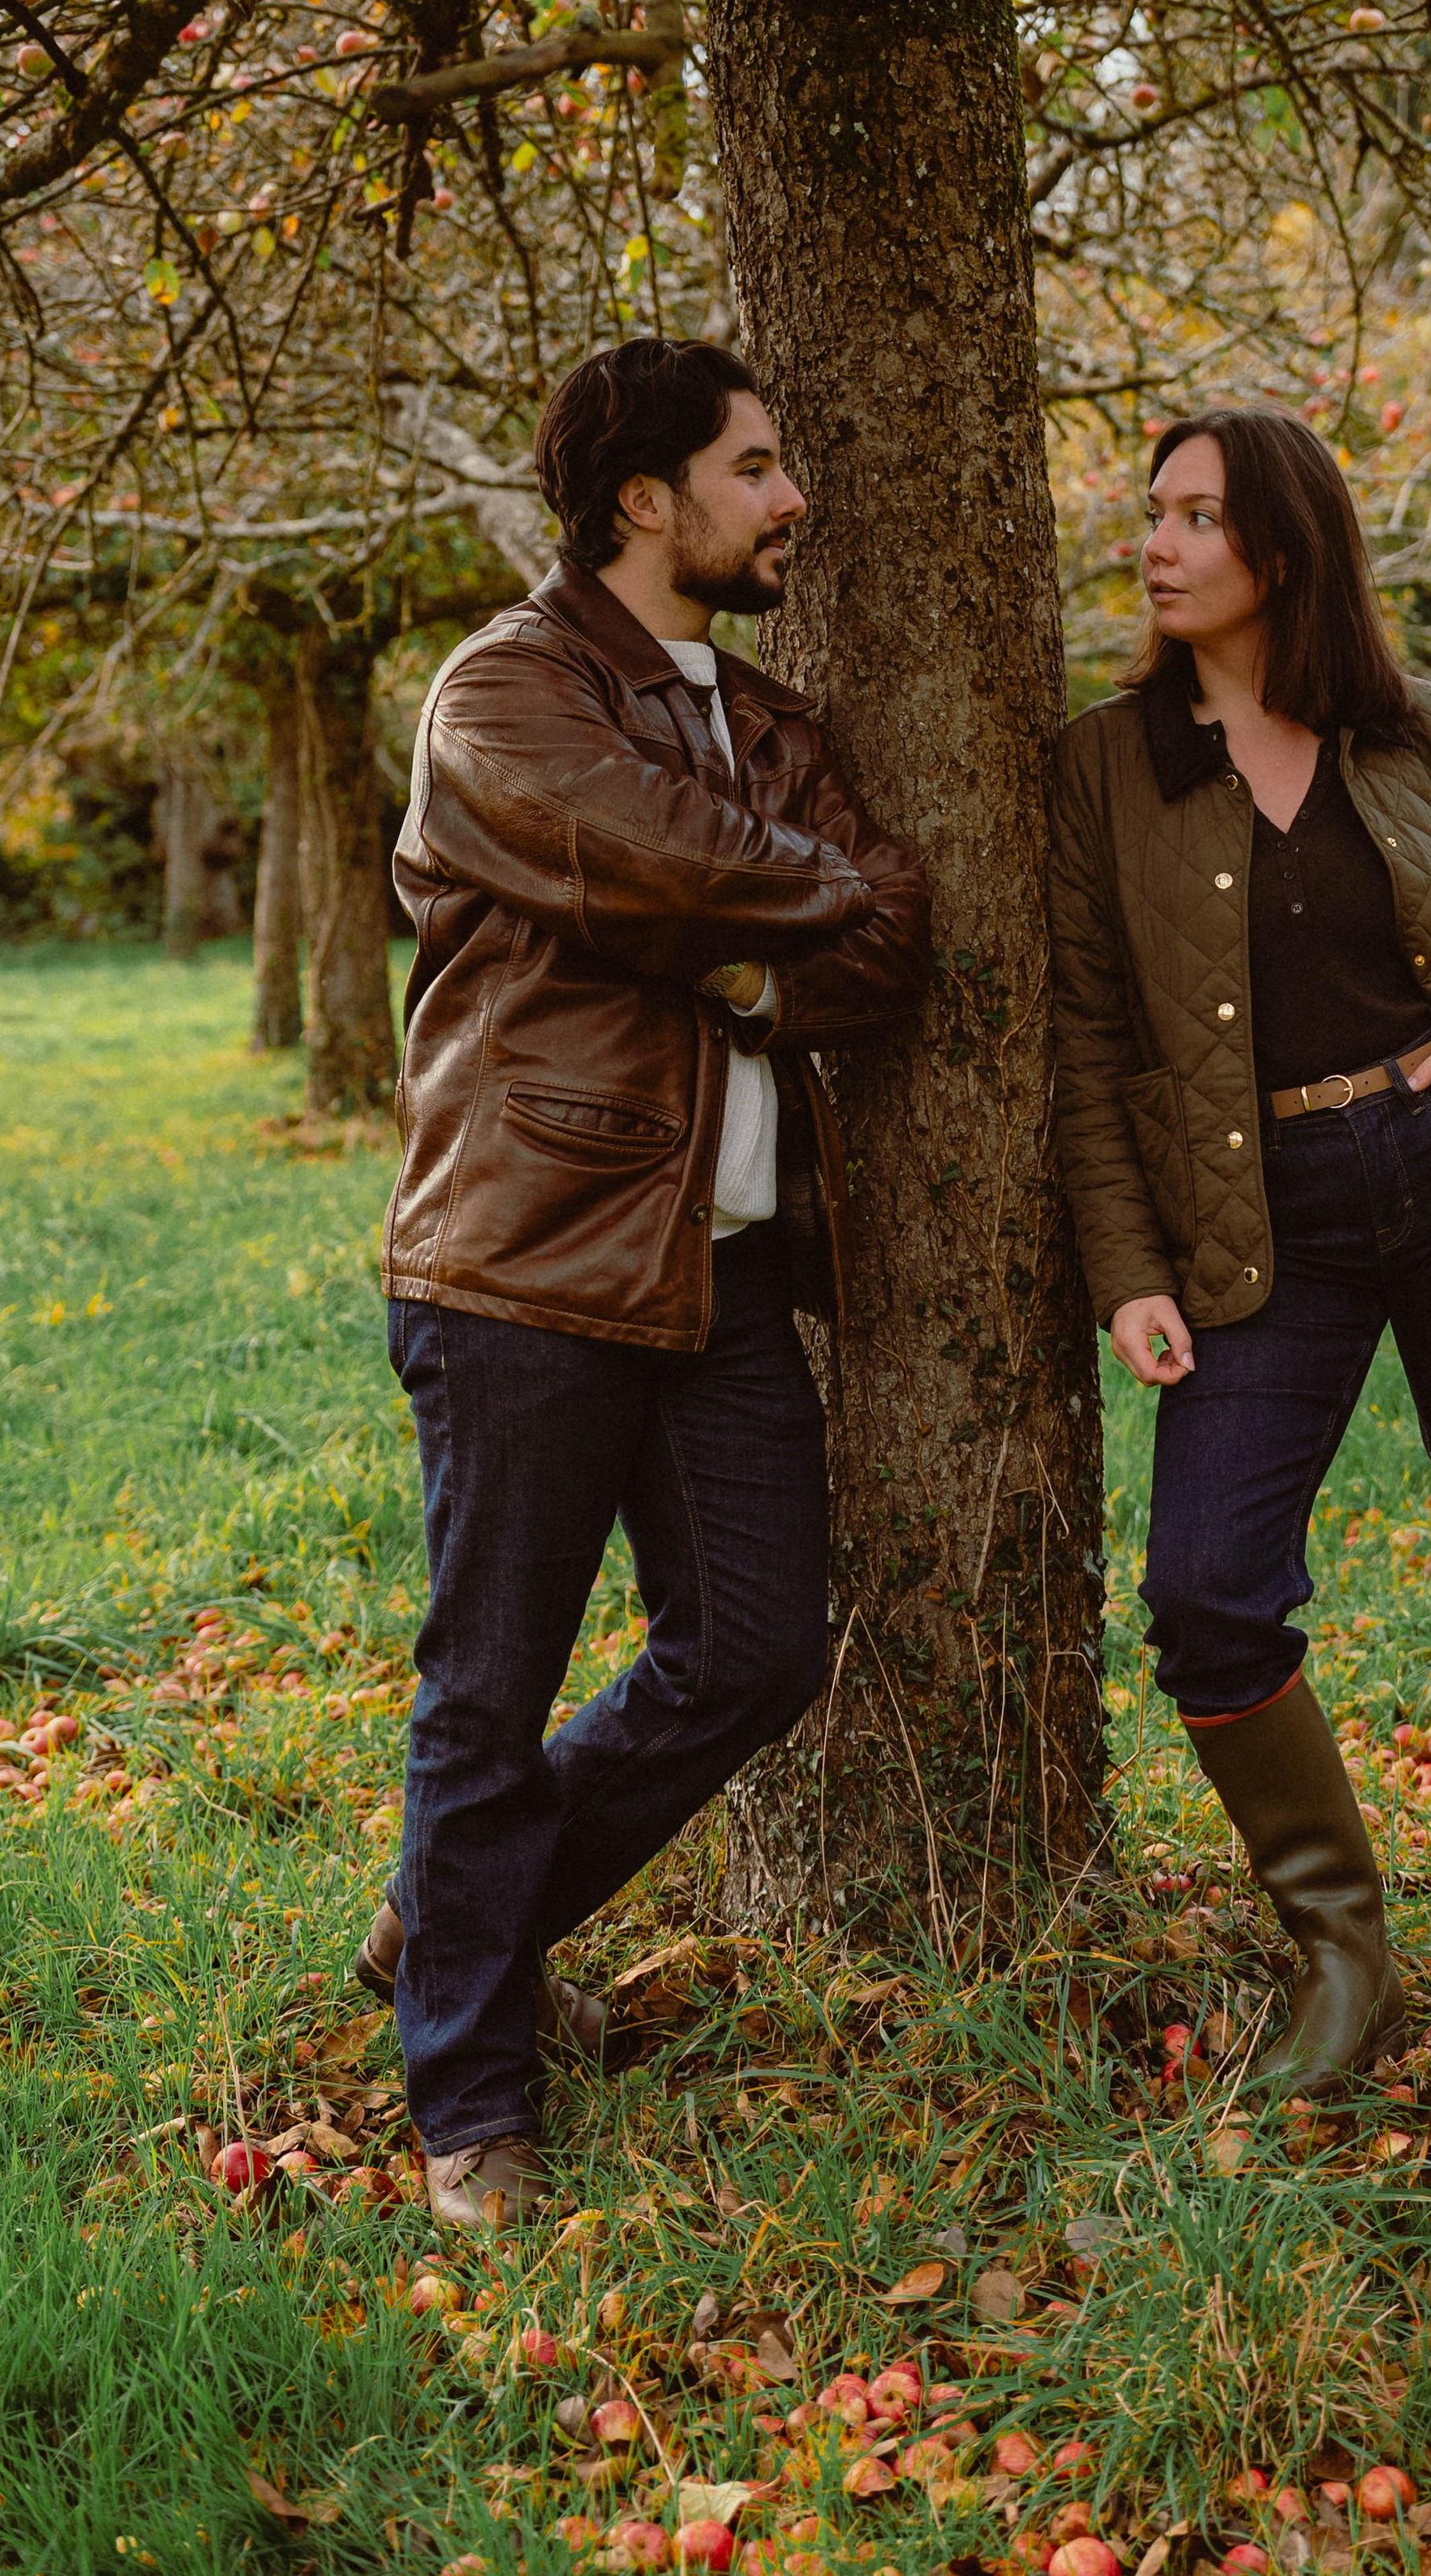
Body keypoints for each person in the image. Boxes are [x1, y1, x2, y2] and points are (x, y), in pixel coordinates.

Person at [359, 338, 930, 2230]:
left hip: (729, 1276)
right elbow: (647, 852)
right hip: (523, 1257)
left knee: (756, 1655)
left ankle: (459, 1914)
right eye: (754, 469)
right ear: (642, 500)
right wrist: (740, 905)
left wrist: (736, 954)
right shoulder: (502, 692)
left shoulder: (768, 723)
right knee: (486, 1693)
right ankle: (470, 2098)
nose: (787, 503)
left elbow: (889, 929)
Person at [1047, 407, 1431, 2095]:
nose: (1153, 543)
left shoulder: (1410, 726)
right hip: (1255, 1214)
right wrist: (1124, 1268)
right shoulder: (1101, 765)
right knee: (1205, 1598)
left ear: (1279, 552)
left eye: (1194, 517)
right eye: (1149, 512)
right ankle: (1342, 1961)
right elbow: (1086, 1042)